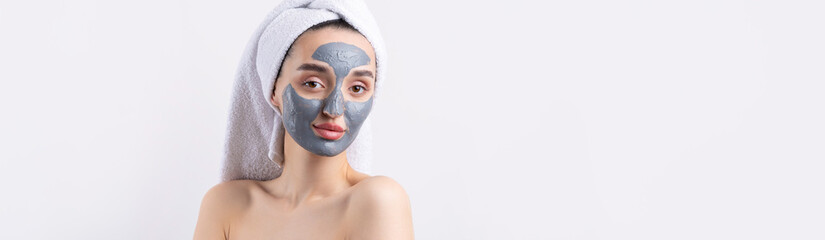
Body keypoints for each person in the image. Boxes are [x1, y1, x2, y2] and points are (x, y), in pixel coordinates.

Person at [192, 2, 414, 239]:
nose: (334, 109)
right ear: (273, 90)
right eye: (313, 83)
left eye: (358, 88)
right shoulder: (226, 205)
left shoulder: (378, 200)